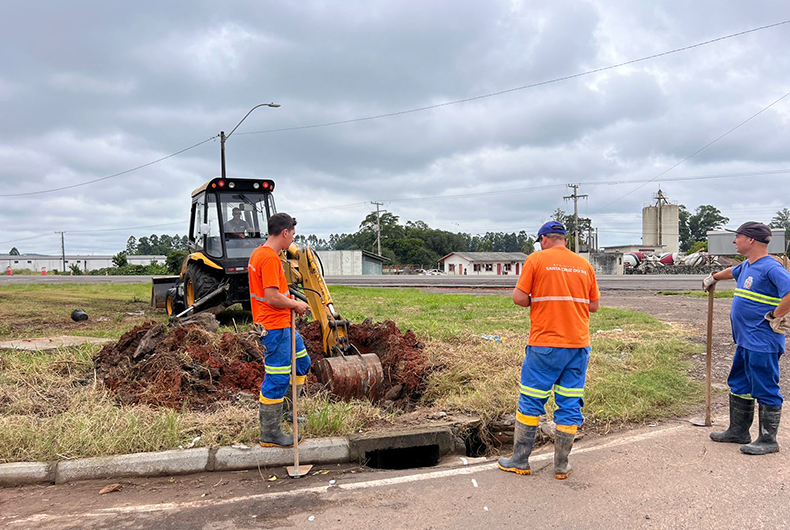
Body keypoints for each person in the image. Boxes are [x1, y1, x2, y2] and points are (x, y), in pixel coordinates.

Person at [498, 221, 600, 479]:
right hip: (577, 346)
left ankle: (520, 460)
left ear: (544, 239)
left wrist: (540, 298)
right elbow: (594, 305)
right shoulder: (584, 265)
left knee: (531, 400)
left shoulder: (536, 260)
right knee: (569, 404)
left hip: (544, 344)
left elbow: (519, 298)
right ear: (563, 239)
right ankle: (561, 466)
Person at [703, 221, 790, 455]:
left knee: (764, 385)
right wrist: (714, 277)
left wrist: (776, 314)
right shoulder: (748, 265)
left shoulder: (771, 267)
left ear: (750, 240)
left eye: (738, 237)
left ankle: (768, 439)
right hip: (745, 339)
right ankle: (739, 431)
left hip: (762, 340)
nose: (734, 241)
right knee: (739, 383)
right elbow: (732, 271)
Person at [248, 212, 311, 447]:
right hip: (275, 327)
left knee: (302, 364)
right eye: (292, 235)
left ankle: (287, 412)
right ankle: (270, 433)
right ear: (284, 232)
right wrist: (296, 304)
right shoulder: (270, 258)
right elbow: (272, 297)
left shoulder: (259, 253)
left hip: (283, 324)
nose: (292, 240)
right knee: (277, 377)